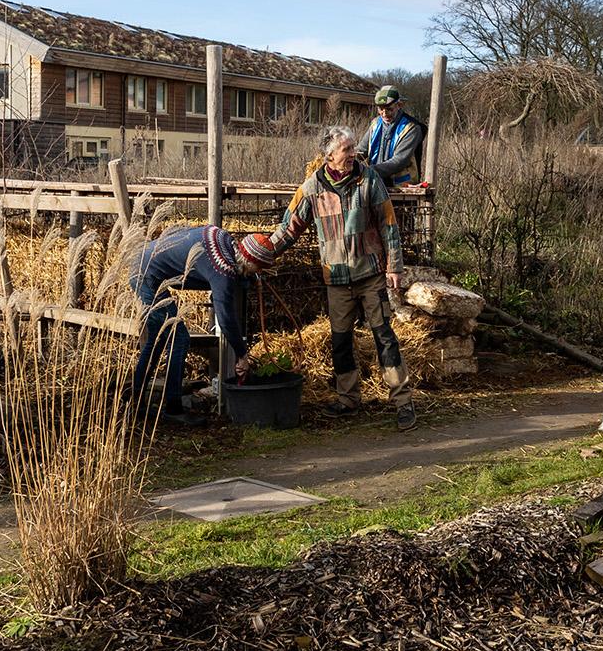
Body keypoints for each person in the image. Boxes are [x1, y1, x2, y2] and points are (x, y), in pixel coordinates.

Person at [271, 125, 415, 429]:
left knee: (384, 337)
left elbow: (388, 224)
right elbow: (289, 228)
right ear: (329, 156)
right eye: (347, 149)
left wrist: (394, 267)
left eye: (353, 148)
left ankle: (403, 401)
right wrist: (261, 255)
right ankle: (348, 399)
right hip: (336, 279)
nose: (353, 154)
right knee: (340, 341)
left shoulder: (369, 179)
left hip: (370, 274)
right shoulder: (312, 188)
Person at [130, 225, 283, 425]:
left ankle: (135, 401)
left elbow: (230, 273)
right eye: (259, 267)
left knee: (157, 341)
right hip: (146, 277)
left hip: (144, 264)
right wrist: (242, 354)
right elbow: (226, 319)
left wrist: (248, 277)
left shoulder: (225, 241)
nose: (259, 272)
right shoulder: (223, 269)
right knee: (179, 339)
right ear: (250, 260)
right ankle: (173, 408)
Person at [363, 86, 427, 188]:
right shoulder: (375, 124)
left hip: (401, 187)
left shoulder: (412, 128)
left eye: (389, 109)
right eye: (381, 109)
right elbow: (362, 150)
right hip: (375, 184)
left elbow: (399, 161)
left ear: (399, 105)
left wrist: (368, 171)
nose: (384, 114)